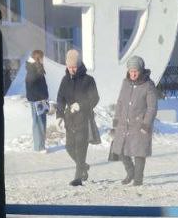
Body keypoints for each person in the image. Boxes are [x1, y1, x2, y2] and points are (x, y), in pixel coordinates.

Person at [108, 55, 159, 186]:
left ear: (141, 70)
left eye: (135, 71)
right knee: (120, 149)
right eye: (131, 71)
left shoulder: (148, 85)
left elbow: (152, 107)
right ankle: (131, 172)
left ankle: (138, 179)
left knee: (139, 153)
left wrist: (146, 124)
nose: (133, 74)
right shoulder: (125, 83)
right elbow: (120, 102)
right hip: (124, 123)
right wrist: (116, 121)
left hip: (139, 124)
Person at [55, 49, 100, 187]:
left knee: (81, 148)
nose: (72, 69)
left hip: (84, 119)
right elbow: (60, 99)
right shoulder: (65, 80)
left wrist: (81, 105)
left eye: (74, 67)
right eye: (69, 67)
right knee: (69, 147)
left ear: (79, 65)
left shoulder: (88, 80)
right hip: (70, 120)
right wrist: (59, 116)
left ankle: (78, 178)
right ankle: (83, 166)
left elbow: (95, 98)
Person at [25, 49, 50, 151]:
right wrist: (41, 97)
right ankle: (39, 147)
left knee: (41, 122)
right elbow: (30, 86)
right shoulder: (32, 69)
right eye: (42, 58)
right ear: (38, 58)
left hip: (40, 100)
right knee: (38, 123)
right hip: (37, 100)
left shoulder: (36, 68)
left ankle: (40, 146)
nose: (43, 60)